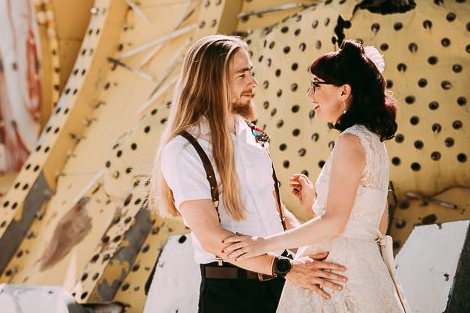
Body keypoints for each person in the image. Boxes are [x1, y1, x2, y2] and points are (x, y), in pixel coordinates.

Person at [149, 35, 347, 313]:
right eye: (242, 75)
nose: (253, 82)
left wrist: (313, 250)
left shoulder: (254, 137)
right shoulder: (184, 149)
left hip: (283, 283)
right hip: (233, 296)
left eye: (251, 72)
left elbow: (278, 217)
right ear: (211, 81)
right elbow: (210, 237)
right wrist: (286, 268)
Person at [222, 40, 410, 312]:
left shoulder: (350, 141)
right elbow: (374, 228)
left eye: (317, 85)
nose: (310, 95)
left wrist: (261, 245)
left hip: (335, 278)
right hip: (368, 274)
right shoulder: (374, 143)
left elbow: (335, 223)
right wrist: (314, 206)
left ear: (344, 91)